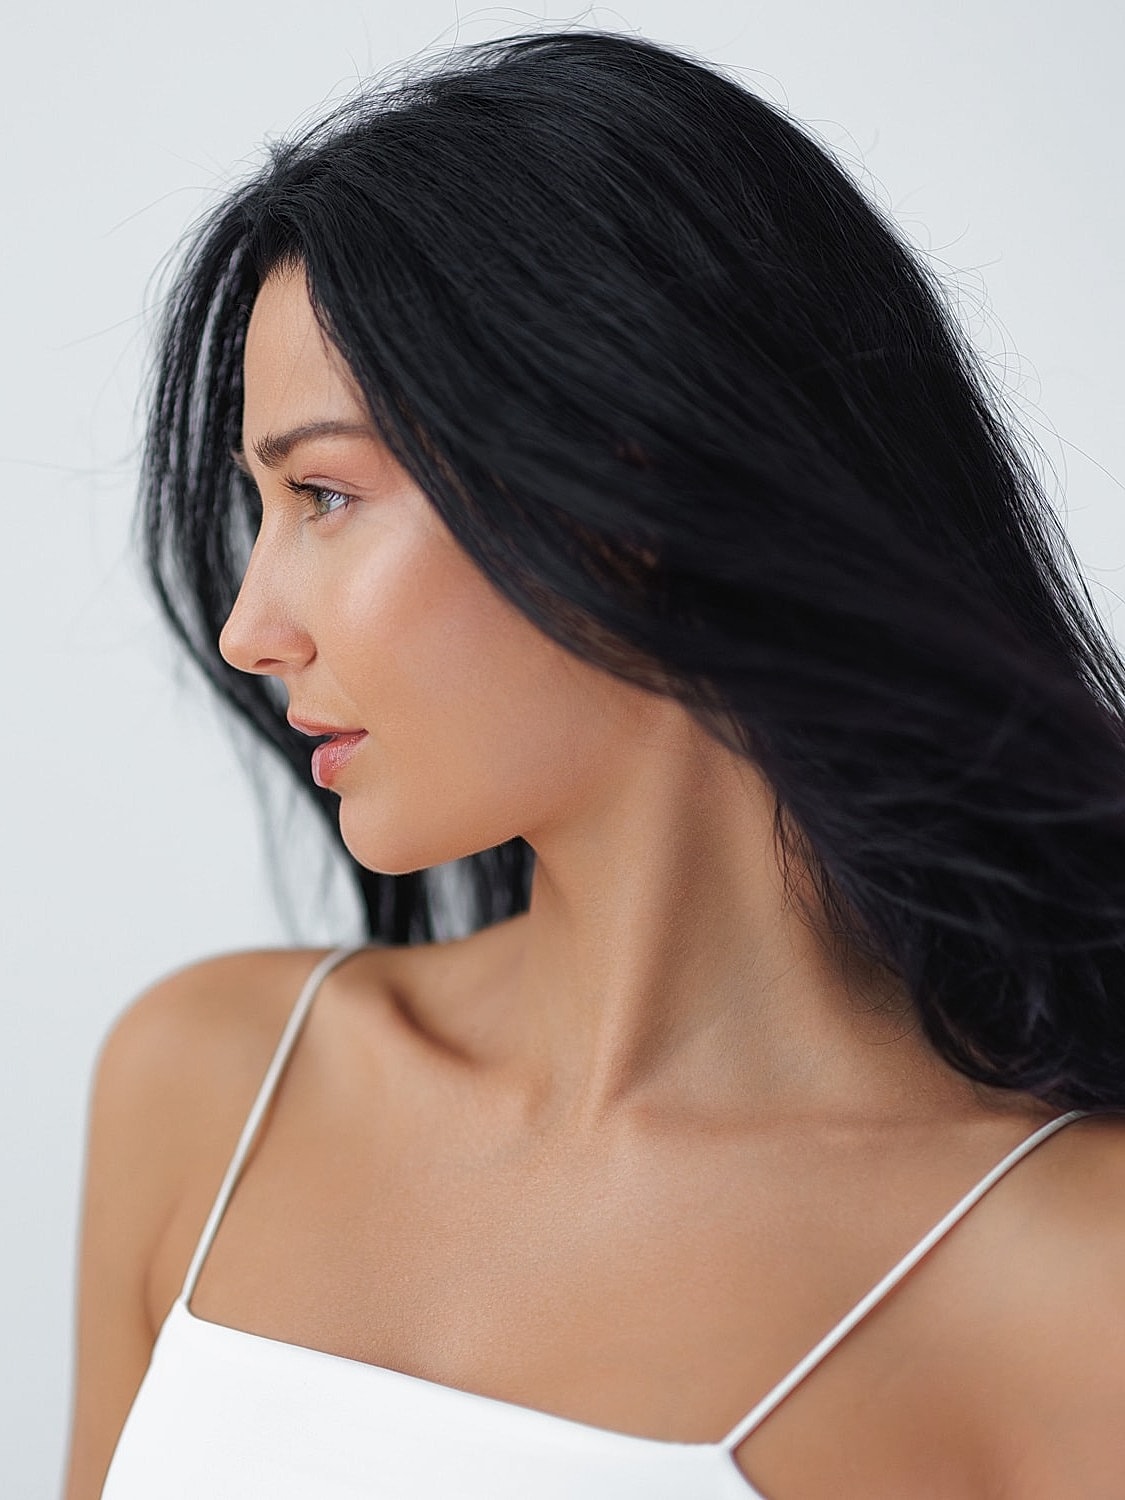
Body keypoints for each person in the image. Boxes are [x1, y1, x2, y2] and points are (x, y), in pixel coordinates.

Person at [64, 27, 1125, 1500]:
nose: (251, 629)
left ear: (631, 486)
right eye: (263, 506)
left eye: (321, 492)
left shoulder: (1071, 1281)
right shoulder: (212, 1086)